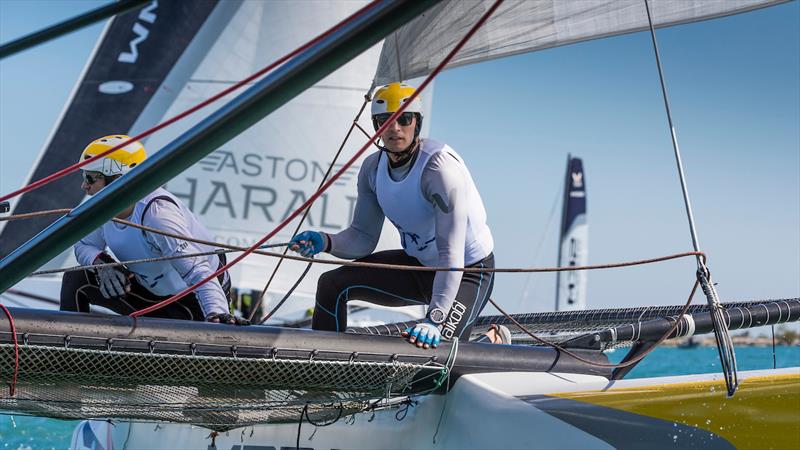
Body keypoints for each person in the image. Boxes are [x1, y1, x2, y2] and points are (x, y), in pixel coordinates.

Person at [291, 82, 507, 348]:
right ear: (376, 127)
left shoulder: (439, 171)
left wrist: (435, 319)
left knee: (433, 361)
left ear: (416, 122)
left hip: (468, 271)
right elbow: (362, 237)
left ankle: (490, 340)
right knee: (332, 285)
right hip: (419, 266)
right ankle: (321, 373)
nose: (394, 128)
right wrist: (325, 241)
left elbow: (451, 255)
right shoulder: (372, 169)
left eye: (403, 119)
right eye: (384, 120)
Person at [60, 135, 245, 325]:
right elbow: (84, 245)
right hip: (149, 296)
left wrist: (217, 313)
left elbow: (198, 271)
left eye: (90, 177)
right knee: (77, 279)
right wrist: (102, 264)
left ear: (117, 179)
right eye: (84, 176)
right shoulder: (103, 210)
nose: (84, 185)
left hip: (192, 304)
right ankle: (63, 350)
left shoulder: (157, 216)